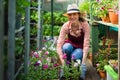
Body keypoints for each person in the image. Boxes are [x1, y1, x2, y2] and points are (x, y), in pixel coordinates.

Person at [56, 4, 90, 79]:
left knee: (75, 56)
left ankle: (76, 65)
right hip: (70, 45)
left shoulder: (85, 25)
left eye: (74, 14)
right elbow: (59, 45)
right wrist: (63, 64)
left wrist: (83, 64)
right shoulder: (66, 26)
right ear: (67, 16)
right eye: (70, 15)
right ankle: (67, 67)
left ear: (78, 15)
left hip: (80, 47)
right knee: (65, 48)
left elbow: (86, 44)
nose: (72, 17)